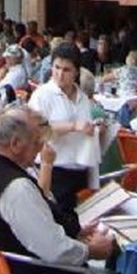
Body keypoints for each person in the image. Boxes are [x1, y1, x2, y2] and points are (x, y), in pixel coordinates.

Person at [0, 108, 119, 274]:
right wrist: (92, 250)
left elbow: (39, 231)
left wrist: (76, 232)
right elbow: (54, 249)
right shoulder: (16, 188)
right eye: (36, 142)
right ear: (15, 145)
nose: (40, 149)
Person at [28, 42, 100, 214]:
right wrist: (73, 126)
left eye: (66, 70)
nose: (60, 74)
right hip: (54, 170)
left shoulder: (82, 97)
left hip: (81, 168)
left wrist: (95, 128)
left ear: (76, 72)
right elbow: (36, 128)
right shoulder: (43, 94)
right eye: (56, 68)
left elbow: (85, 128)